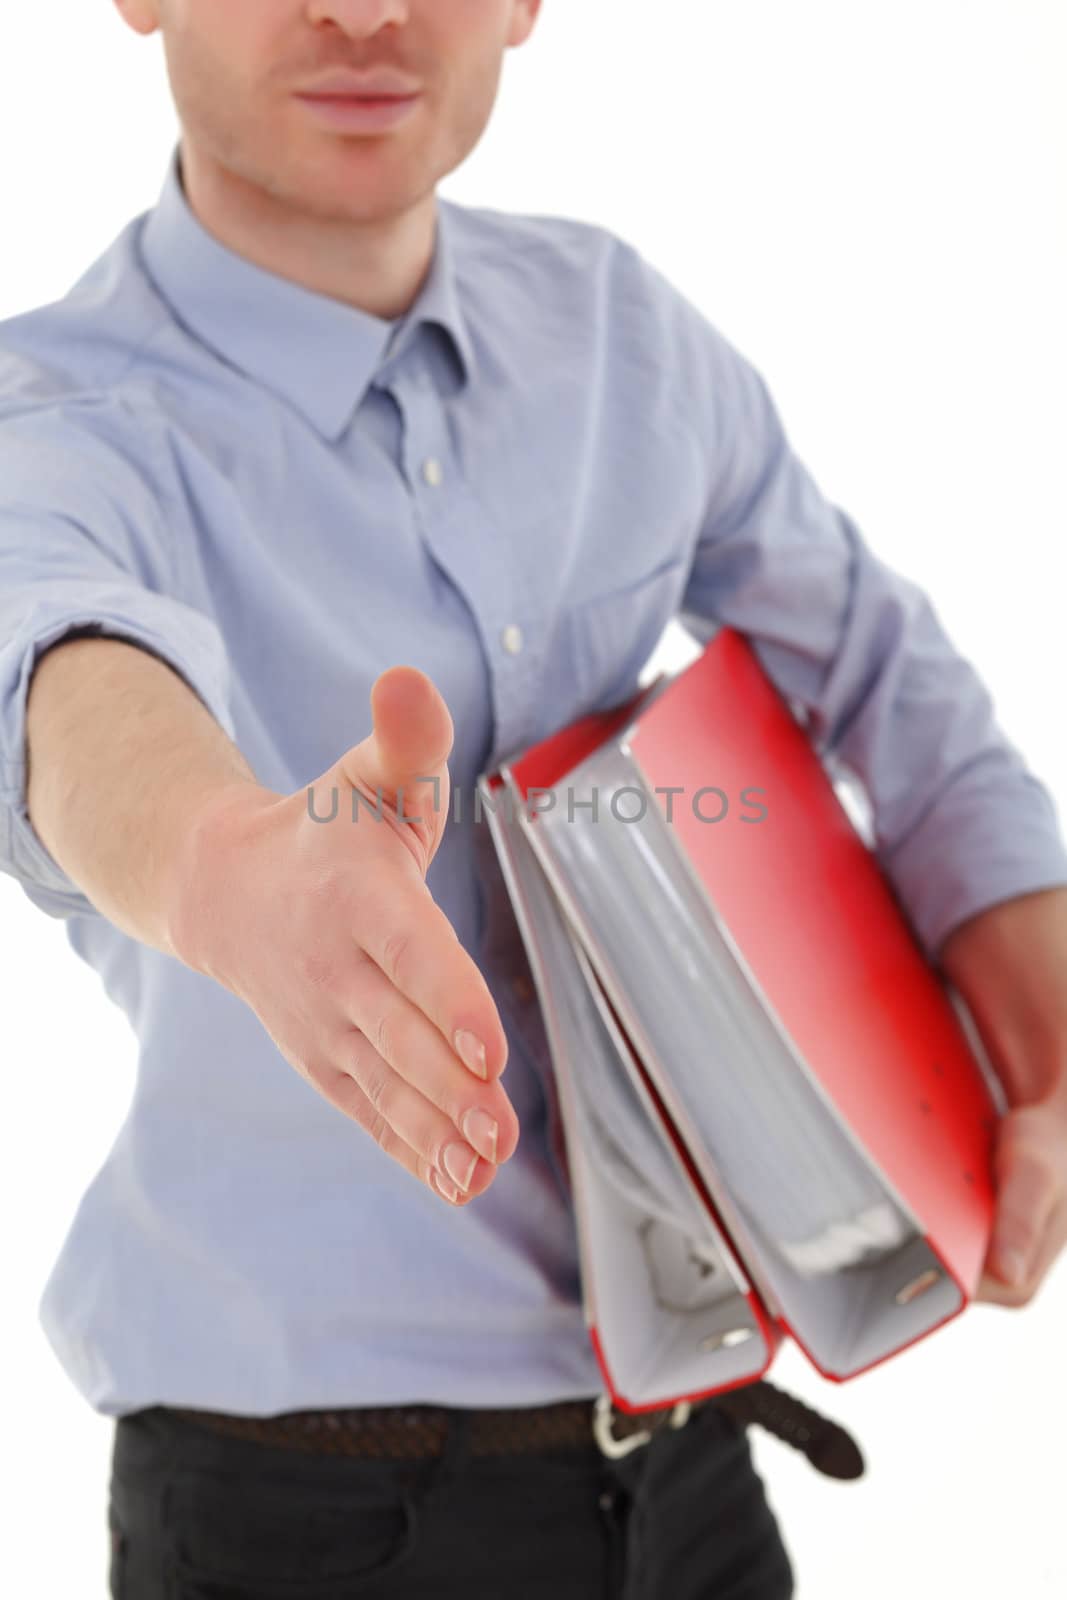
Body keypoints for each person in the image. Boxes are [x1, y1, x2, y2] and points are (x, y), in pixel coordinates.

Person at [1, 1, 1065, 1594]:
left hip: (694, 1462)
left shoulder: (619, 333)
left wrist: (1048, 1048)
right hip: (306, 1519)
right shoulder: (51, 418)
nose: (363, 10)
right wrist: (225, 867)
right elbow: (56, 670)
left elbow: (888, 678)